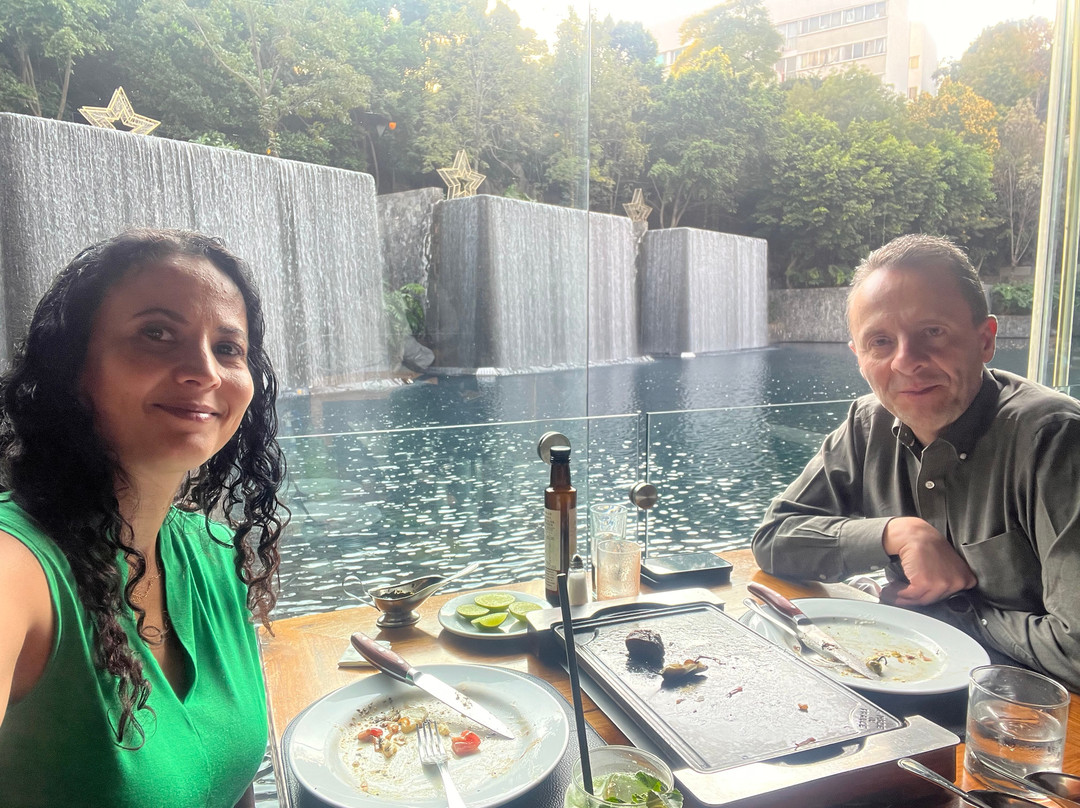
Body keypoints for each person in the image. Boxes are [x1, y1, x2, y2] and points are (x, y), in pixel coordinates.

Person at [0, 229, 289, 806]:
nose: (204, 370)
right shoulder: (20, 568)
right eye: (156, 334)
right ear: (74, 367)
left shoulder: (215, 554)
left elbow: (230, 781)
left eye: (227, 348)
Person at [752, 234, 1080, 692]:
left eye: (933, 332)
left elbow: (1076, 650)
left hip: (1024, 711)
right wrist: (895, 533)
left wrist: (950, 611)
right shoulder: (868, 423)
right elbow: (774, 539)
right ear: (859, 358)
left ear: (985, 340)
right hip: (900, 677)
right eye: (880, 341)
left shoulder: (1056, 441)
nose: (906, 361)